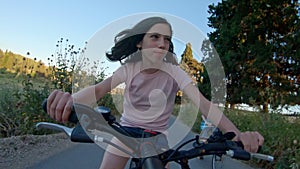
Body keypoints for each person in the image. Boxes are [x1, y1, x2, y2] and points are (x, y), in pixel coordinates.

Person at [46, 16, 264, 169]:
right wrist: (69, 100)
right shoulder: (129, 68)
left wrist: (237, 135)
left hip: (157, 139)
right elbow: (100, 89)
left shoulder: (174, 71)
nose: (163, 44)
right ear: (140, 43)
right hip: (125, 132)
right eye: (155, 37)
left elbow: (203, 103)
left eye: (167, 39)